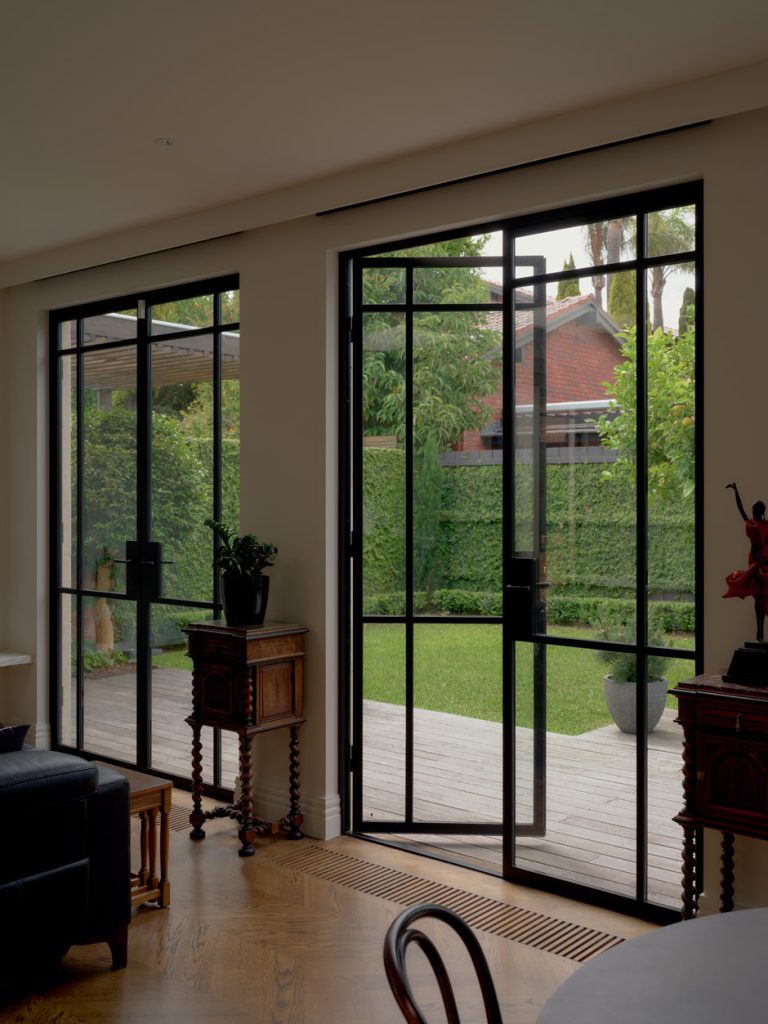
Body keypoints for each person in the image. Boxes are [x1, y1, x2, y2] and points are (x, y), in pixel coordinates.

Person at [723, 482, 768, 642]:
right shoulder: (754, 524)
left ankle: (760, 633)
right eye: (754, 509)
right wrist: (736, 492)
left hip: (764, 564)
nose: (753, 511)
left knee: (762, 597)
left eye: (756, 509)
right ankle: (760, 632)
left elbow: (742, 510)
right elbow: (741, 509)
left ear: (760, 511)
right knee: (759, 596)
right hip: (758, 564)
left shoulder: (761, 525)